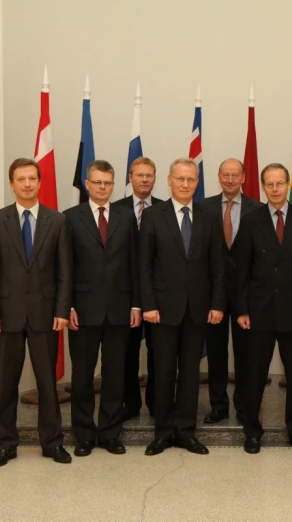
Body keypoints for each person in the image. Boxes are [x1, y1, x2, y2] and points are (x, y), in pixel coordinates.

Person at [0, 158, 72, 467]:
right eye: (21, 179)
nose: (27, 184)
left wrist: (61, 310)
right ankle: (5, 444)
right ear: (12, 183)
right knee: (7, 382)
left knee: (47, 383)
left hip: (46, 314)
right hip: (6, 315)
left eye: (32, 178)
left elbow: (64, 272)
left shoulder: (56, 221)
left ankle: (52, 443)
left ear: (40, 182)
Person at [234, 163, 292, 454]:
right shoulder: (250, 220)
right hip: (258, 311)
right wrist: (242, 310)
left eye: (280, 183)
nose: (275, 189)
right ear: (262, 187)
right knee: (254, 374)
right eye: (269, 184)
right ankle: (251, 431)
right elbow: (241, 270)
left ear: (288, 185)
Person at [139, 157, 225, 456]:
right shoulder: (153, 216)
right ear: (170, 180)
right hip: (161, 310)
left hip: (198, 310)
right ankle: (163, 433)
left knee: (190, 373)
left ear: (197, 182)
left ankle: (186, 431)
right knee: (162, 373)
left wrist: (217, 304)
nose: (185, 184)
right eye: (180, 179)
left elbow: (217, 265)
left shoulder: (209, 215)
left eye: (191, 180)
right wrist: (148, 304)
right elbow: (144, 266)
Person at [64, 160, 140, 457]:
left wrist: (136, 303)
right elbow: (64, 267)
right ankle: (83, 434)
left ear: (113, 184)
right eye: (97, 182)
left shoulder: (126, 217)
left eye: (107, 183)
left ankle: (110, 433)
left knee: (115, 374)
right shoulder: (70, 217)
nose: (102, 187)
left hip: (120, 308)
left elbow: (134, 262)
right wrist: (67, 304)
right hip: (81, 309)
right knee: (82, 375)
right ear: (87, 183)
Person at [198, 158, 264, 425]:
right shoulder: (202, 208)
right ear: (218, 176)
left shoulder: (258, 209)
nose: (229, 179)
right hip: (212, 292)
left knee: (245, 353)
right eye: (225, 175)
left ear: (243, 178)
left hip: (246, 293)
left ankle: (244, 404)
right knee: (215, 353)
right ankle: (218, 405)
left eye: (234, 175)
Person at [114, 157, 162, 420]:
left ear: (155, 178)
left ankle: (157, 403)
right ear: (129, 177)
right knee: (127, 351)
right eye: (139, 175)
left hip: (160, 294)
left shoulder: (168, 209)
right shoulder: (115, 209)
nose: (144, 180)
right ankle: (129, 404)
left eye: (149, 175)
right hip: (125, 294)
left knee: (159, 352)